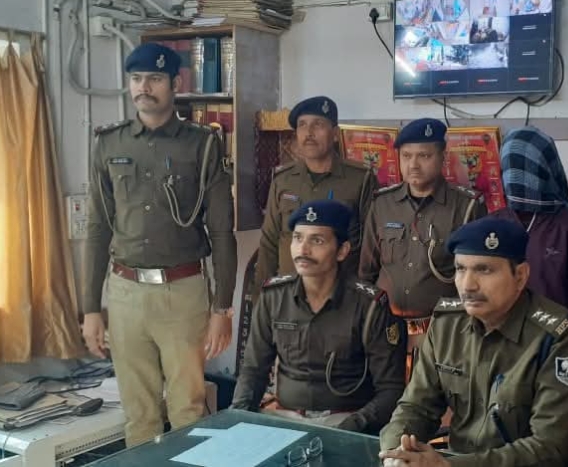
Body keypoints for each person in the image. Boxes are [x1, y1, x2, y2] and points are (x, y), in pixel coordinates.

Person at [81, 42, 237, 446]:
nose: (143, 88)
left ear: (176, 84)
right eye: (136, 79)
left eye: (154, 79)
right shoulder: (109, 144)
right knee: (139, 415)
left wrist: (222, 308)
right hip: (125, 293)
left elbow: (222, 232)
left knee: (188, 409)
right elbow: (97, 228)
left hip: (182, 293)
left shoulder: (202, 144)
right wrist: (90, 308)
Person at [379, 217, 568, 466]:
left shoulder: (561, 336)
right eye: (460, 269)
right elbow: (416, 407)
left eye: (484, 270)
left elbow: (548, 447)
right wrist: (396, 452)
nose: (468, 285)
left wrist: (448, 466)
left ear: (520, 276)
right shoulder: (447, 324)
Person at [232, 199, 407, 433]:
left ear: (342, 251)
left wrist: (351, 427)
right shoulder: (273, 297)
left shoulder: (369, 305)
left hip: (346, 421)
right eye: (298, 238)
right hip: (284, 417)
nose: (303, 250)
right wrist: (237, 418)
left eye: (317, 241)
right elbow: (253, 371)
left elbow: (391, 390)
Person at [359, 118, 486, 377]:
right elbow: (366, 273)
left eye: (424, 156)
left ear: (443, 158)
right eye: (406, 156)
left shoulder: (466, 207)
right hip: (386, 331)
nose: (413, 165)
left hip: (443, 332)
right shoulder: (383, 204)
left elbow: (479, 281)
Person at [255, 96, 379, 288]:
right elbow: (269, 244)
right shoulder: (283, 180)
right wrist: (261, 297)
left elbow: (371, 249)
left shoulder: (360, 180)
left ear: (335, 134)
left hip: (340, 296)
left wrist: (362, 297)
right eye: (302, 125)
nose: (309, 133)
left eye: (318, 124)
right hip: (288, 295)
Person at [491, 125, 568, 332]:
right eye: (510, 166)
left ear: (545, 169)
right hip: (500, 340)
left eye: (525, 167)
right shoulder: (493, 224)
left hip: (558, 340)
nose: (516, 177)